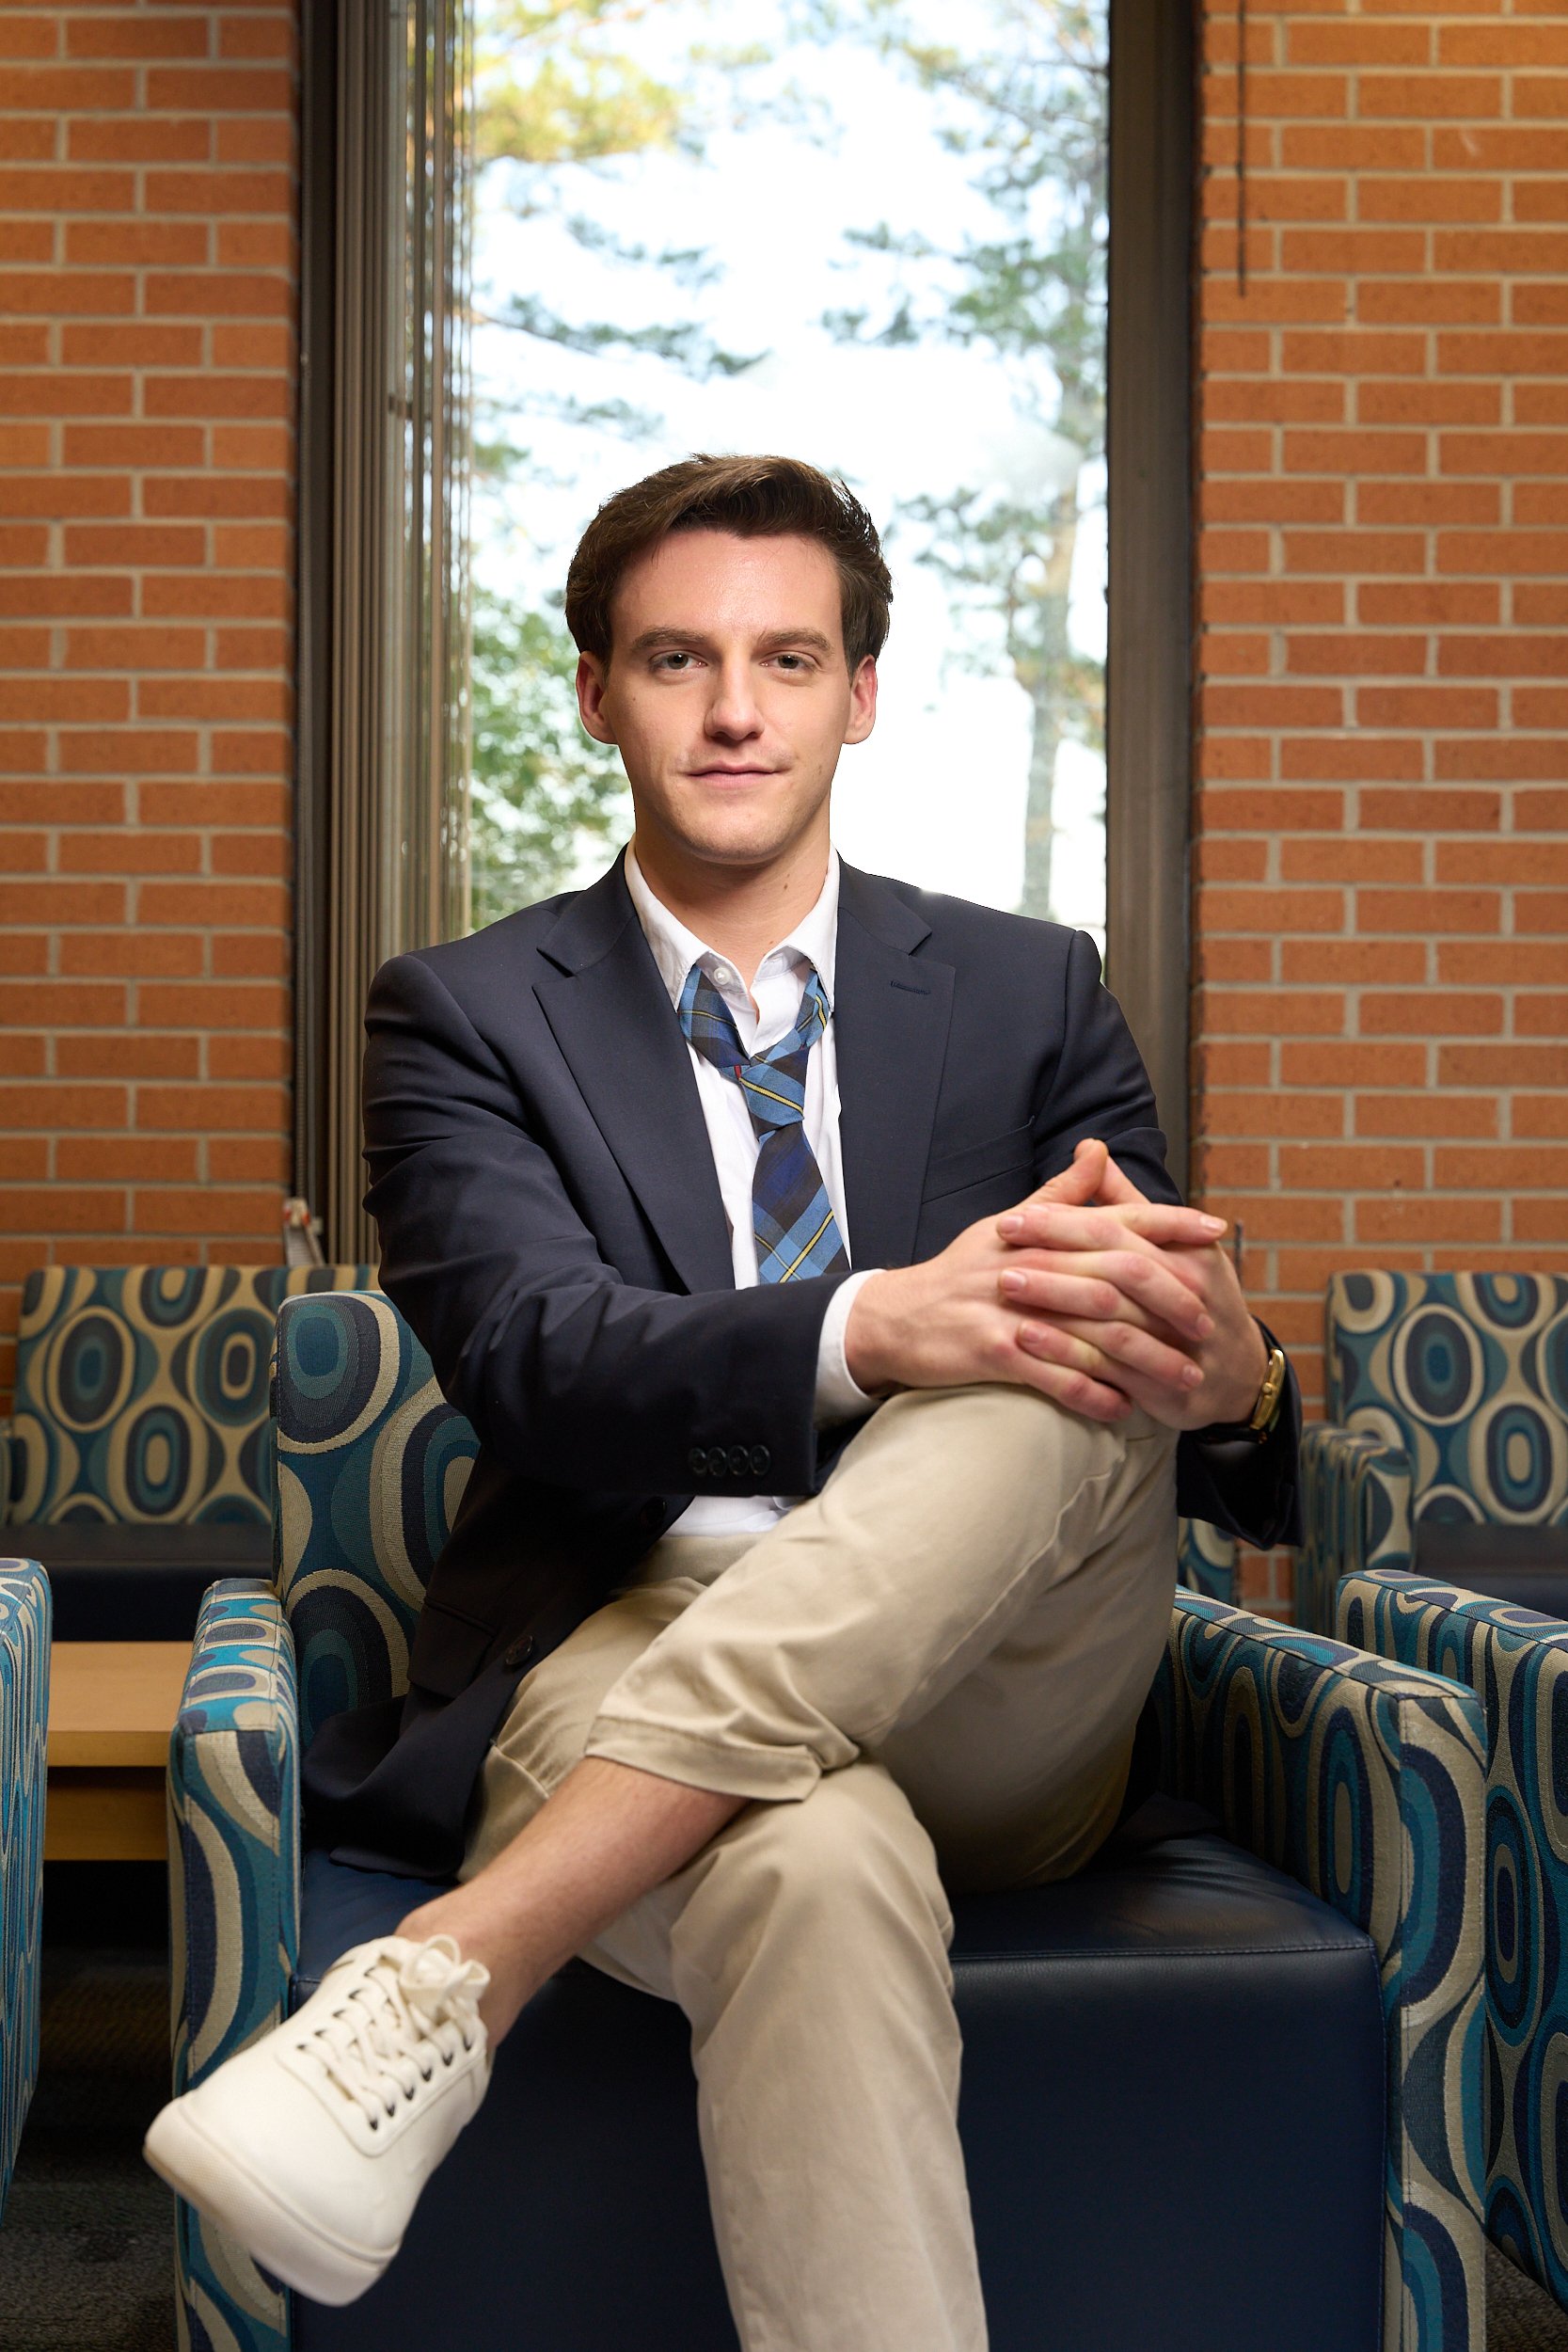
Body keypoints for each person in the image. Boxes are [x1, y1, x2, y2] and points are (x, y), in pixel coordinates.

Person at [145, 454, 1299, 2349]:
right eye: (680, 657)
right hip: (615, 1635)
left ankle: (461, 1956)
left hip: (1003, 1678)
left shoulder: (1029, 991)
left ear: (862, 689)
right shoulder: (462, 1011)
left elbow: (1185, 1402)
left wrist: (1241, 1367)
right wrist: (869, 1326)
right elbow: (530, 1350)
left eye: (789, 656)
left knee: (1063, 1323)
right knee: (812, 1855)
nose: (739, 709)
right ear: (597, 691)